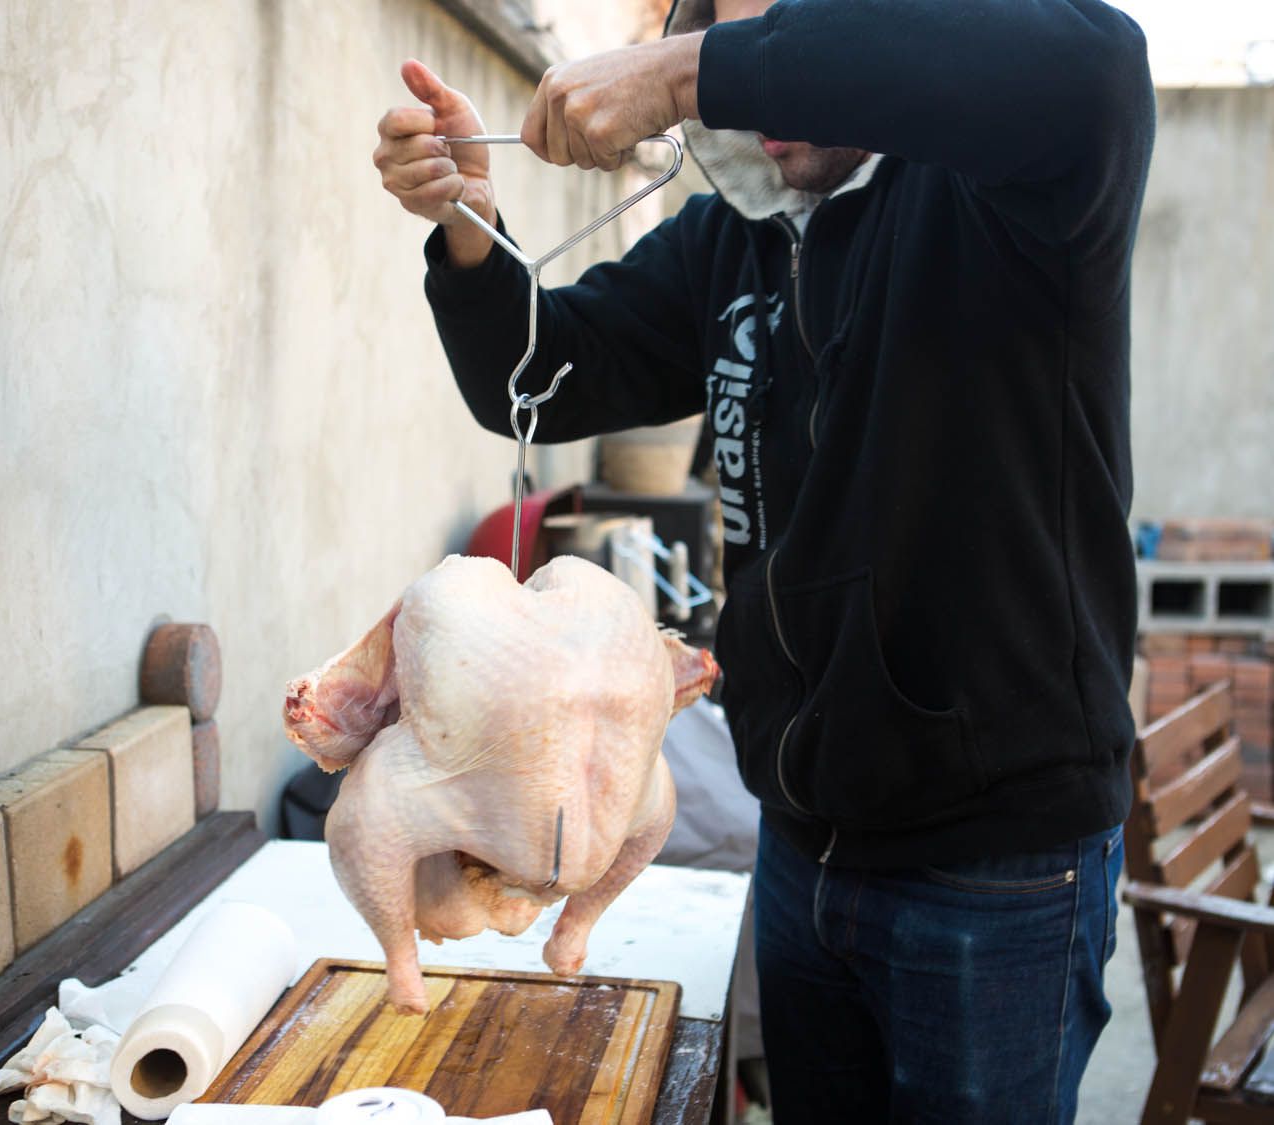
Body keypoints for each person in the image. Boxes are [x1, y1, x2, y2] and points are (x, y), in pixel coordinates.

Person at [373, 0, 1154, 1119]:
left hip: (998, 868)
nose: (756, 110)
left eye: (782, 30)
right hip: (801, 848)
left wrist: (699, 69)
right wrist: (468, 222)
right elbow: (538, 377)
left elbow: (1097, 62)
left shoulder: (1010, 184)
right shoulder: (732, 234)